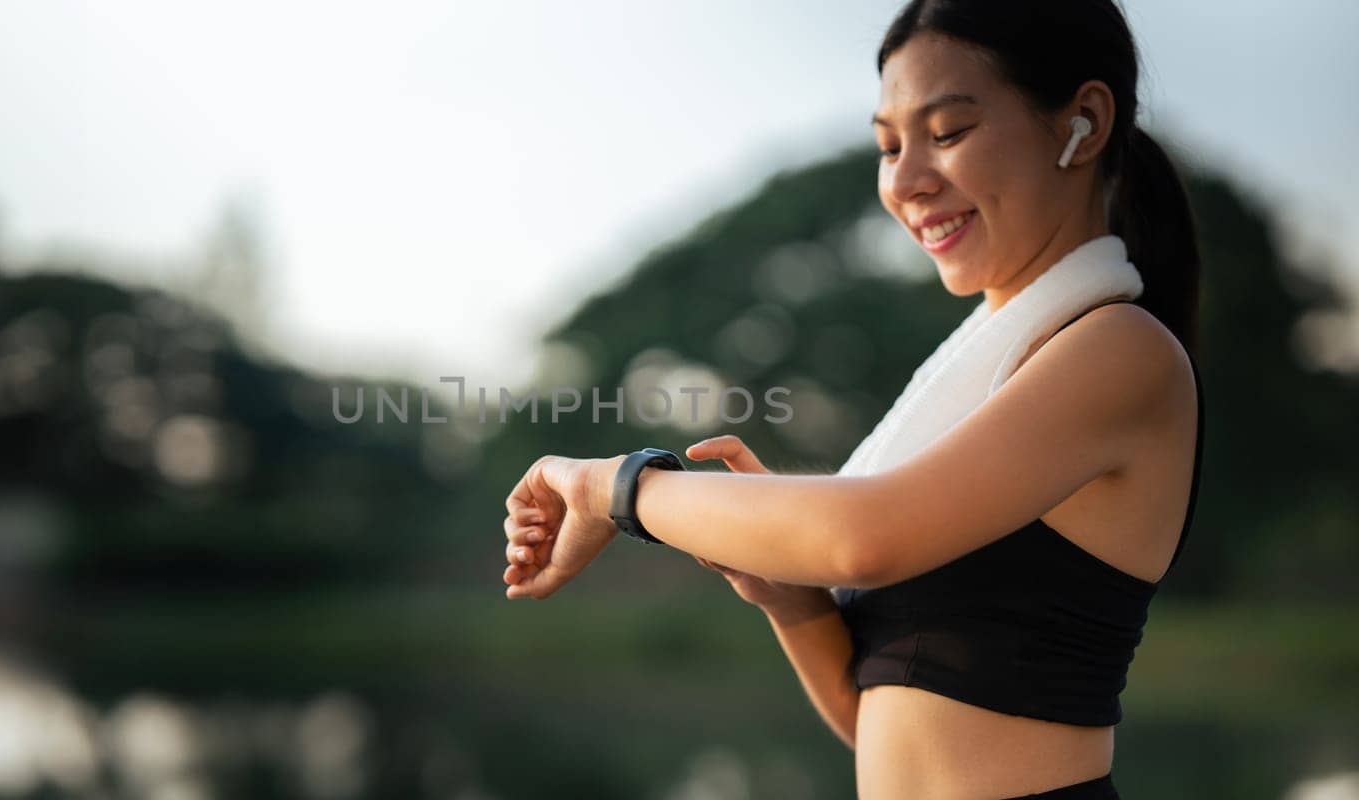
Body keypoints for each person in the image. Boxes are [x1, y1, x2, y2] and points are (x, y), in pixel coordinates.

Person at [498, 1, 1203, 798]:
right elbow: (879, 726)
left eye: (947, 133)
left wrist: (614, 489)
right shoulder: (972, 387)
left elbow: (862, 536)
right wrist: (792, 597)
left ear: (1082, 121)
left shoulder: (1121, 352)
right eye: (888, 146)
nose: (904, 182)